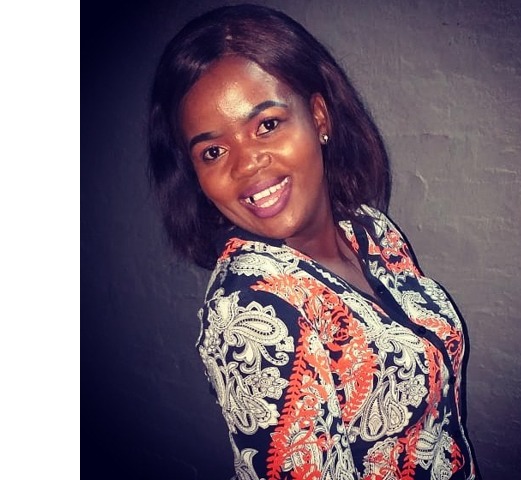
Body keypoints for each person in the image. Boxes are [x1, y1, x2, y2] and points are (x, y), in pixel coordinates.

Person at [148, 4, 478, 479]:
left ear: (319, 117)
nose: (246, 164)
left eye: (267, 124)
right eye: (213, 151)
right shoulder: (251, 312)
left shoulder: (370, 231)